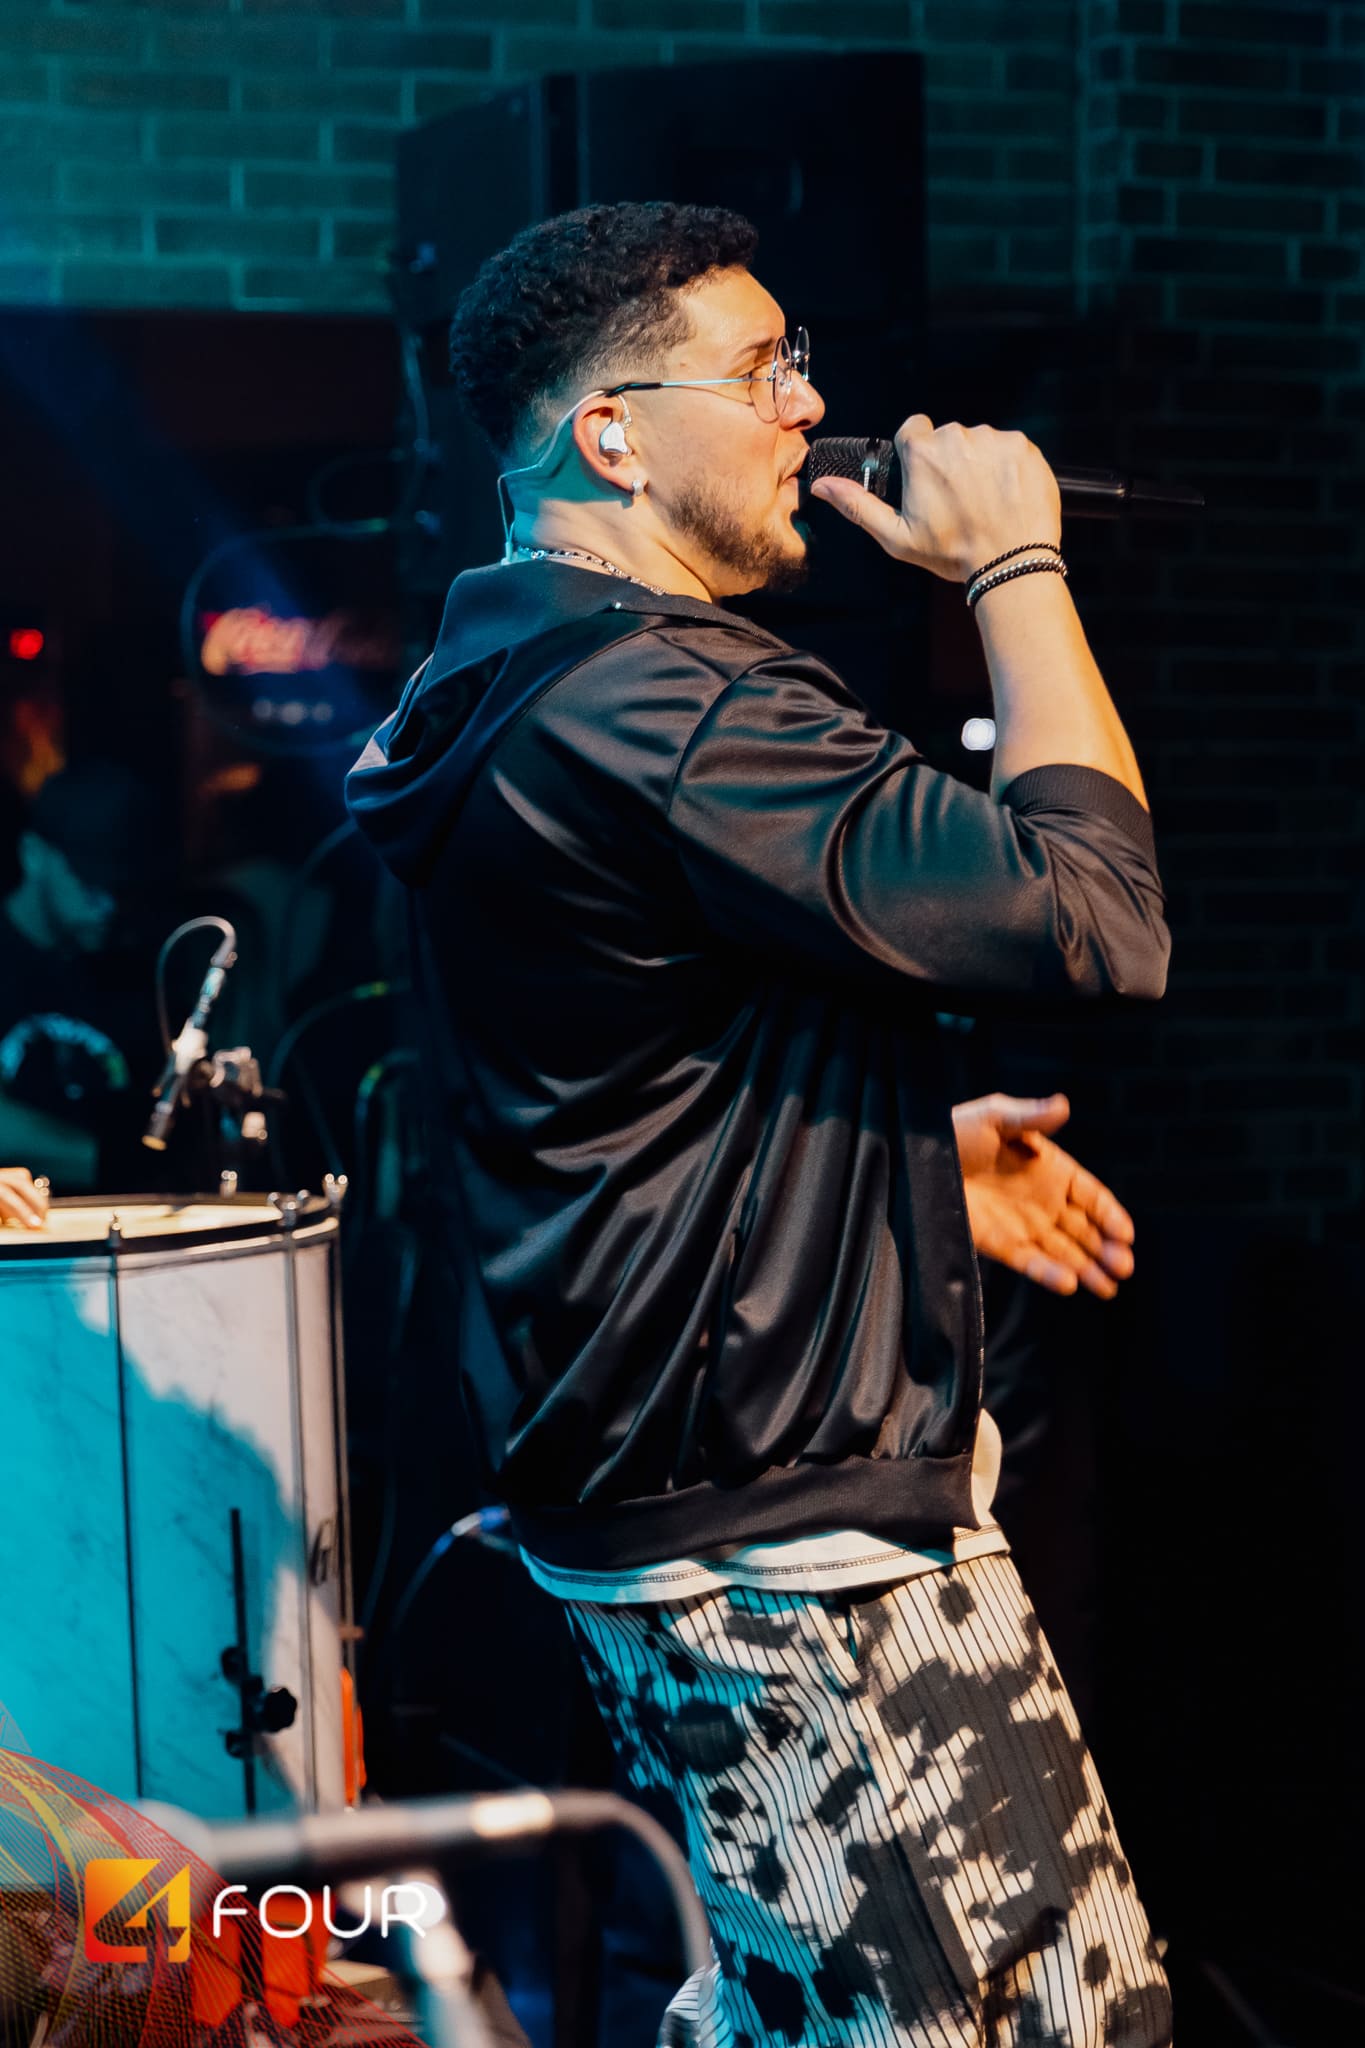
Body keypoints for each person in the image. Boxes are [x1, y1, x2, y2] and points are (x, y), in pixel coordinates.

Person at [347, 202, 1172, 2047]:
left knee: (822, 2005)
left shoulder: (495, 681)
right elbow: (1096, 920)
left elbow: (624, 1083)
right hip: (804, 1557)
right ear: (613, 435)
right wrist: (1015, 566)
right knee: (1050, 2023)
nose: (807, 404)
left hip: (683, 1519)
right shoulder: (677, 698)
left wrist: (901, 1158)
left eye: (802, 362)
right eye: (759, 368)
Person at [0, 760, 170, 1191]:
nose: (109, 907)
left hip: (125, 1223)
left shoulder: (135, 970)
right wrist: (112, 1162)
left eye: (121, 888)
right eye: (91, 884)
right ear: (33, 854)